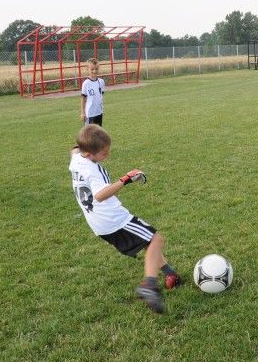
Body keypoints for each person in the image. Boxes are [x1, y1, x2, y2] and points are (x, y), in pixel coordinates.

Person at [69, 124, 180, 314]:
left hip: (98, 223)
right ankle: (149, 285)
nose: (107, 155)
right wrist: (125, 179)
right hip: (113, 219)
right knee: (156, 239)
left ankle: (170, 273)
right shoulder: (92, 171)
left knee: (146, 240)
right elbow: (100, 195)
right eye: (104, 154)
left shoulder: (76, 159)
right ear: (89, 154)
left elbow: (73, 150)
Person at [80, 58, 106, 126]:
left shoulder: (101, 82)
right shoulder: (86, 83)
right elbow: (83, 99)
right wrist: (83, 113)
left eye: (96, 69)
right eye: (92, 69)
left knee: (98, 132)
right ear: (87, 69)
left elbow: (100, 97)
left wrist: (102, 109)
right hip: (90, 114)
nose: (94, 71)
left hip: (99, 113)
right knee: (89, 133)